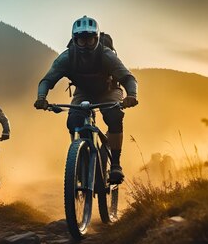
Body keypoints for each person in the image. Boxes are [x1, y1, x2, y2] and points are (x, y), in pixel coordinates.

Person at [34, 15, 138, 183]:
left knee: (114, 117)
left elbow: (128, 78)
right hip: (83, 92)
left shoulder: (106, 55)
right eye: (81, 41)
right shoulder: (66, 58)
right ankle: (80, 157)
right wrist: (41, 97)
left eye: (90, 40)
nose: (86, 45)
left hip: (108, 90)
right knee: (73, 121)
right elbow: (47, 80)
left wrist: (132, 95)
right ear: (74, 40)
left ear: (97, 39)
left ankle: (115, 165)